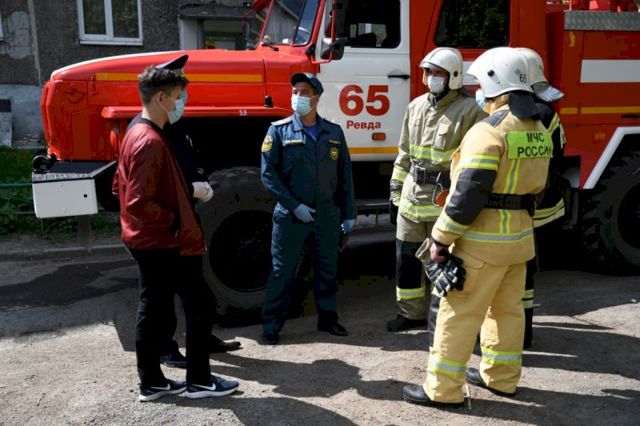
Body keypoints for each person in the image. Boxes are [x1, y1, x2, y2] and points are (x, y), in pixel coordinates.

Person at [402, 47, 551, 407]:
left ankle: (442, 390)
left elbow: (467, 194)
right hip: (519, 240)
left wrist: (440, 238)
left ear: (496, 83)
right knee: (507, 312)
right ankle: (501, 378)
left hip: (482, 243)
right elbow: (542, 188)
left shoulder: (488, 131)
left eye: (482, 84)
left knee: (458, 314)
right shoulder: (538, 130)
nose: (479, 91)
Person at [113, 56, 239, 401]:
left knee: (153, 308)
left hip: (150, 240)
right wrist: (176, 222)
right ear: (161, 98)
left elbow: (120, 186)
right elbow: (140, 202)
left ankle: (152, 382)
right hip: (164, 242)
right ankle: (199, 381)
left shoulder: (136, 132)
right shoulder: (150, 141)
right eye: (178, 96)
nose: (182, 102)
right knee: (199, 306)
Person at [387, 47, 486, 334]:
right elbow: (404, 153)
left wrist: (462, 202)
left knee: (443, 263)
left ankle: (443, 319)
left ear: (453, 76)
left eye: (438, 73)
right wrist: (395, 190)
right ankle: (410, 313)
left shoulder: (470, 111)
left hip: (443, 202)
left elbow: (474, 163)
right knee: (407, 260)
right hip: (411, 199)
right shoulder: (415, 106)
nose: (431, 77)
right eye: (428, 72)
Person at [260, 72, 357, 345]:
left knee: (327, 270)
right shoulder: (278, 131)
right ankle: (271, 326)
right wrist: (294, 206)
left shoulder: (334, 133)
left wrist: (349, 213)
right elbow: (268, 175)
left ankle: (328, 320)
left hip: (326, 215)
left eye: (304, 92)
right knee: (282, 272)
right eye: (295, 91)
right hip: (291, 216)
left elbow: (344, 176)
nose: (298, 97)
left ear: (316, 98)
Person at [517, 47, 567, 349]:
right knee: (526, 273)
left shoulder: (513, 115)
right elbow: (557, 160)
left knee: (514, 275)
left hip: (517, 210)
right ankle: (524, 334)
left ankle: (513, 335)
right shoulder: (548, 113)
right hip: (542, 205)